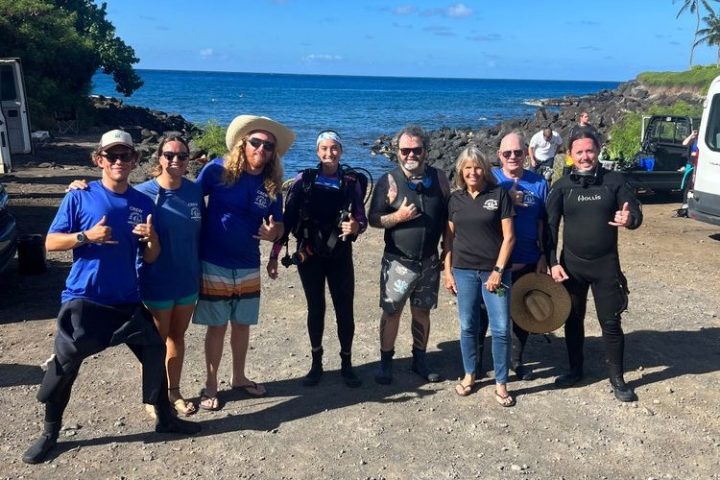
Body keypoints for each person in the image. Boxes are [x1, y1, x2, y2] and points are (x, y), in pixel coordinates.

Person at [22, 130, 200, 465]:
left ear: (135, 160)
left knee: (154, 347)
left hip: (126, 301)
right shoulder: (80, 195)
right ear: (99, 159)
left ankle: (164, 417)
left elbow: (150, 257)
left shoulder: (142, 202)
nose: (119, 162)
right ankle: (49, 433)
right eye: (112, 156)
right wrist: (85, 236)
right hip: (84, 300)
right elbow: (49, 243)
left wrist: (151, 240)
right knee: (65, 368)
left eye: (125, 156)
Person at [64, 135, 204, 416]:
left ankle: (173, 391)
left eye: (182, 156)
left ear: (189, 161)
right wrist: (79, 187)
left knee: (177, 336)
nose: (175, 160)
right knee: (153, 345)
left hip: (188, 280)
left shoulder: (195, 192)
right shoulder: (143, 194)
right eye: (169, 155)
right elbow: (113, 196)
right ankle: (154, 398)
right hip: (154, 281)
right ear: (158, 159)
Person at [193, 115, 293, 411]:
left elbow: (281, 226)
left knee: (242, 324)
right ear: (243, 144)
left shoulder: (271, 183)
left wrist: (275, 233)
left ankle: (238, 377)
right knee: (217, 325)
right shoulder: (217, 170)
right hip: (214, 261)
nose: (262, 148)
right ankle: (210, 385)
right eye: (256, 142)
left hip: (249, 263)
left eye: (268, 145)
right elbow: (187, 197)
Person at [546, 131, 643, 402]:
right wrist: (552, 262)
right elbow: (550, 228)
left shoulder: (614, 181)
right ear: (570, 155)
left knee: (610, 323)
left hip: (605, 266)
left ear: (598, 150)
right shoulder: (562, 186)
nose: (585, 157)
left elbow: (635, 212)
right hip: (571, 266)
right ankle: (575, 369)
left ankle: (618, 379)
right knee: (572, 319)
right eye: (579, 152)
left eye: (589, 151)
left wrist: (630, 218)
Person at [268, 130, 368, 387]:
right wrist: (274, 255)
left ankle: (346, 363)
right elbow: (287, 220)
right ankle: (316, 363)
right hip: (309, 255)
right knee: (316, 308)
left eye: (334, 148)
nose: (329, 153)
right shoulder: (304, 181)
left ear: (341, 151)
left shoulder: (351, 182)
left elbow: (361, 217)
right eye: (324, 149)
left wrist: (356, 227)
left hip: (340, 255)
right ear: (317, 152)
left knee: (344, 309)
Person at [368, 125, 450, 385]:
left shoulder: (440, 179)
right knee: (391, 312)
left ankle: (420, 360)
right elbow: (373, 219)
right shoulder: (389, 181)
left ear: (426, 151)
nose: (410, 155)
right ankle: (385, 362)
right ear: (397, 152)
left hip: (429, 262)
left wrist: (447, 252)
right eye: (405, 150)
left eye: (416, 150)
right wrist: (398, 217)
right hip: (398, 261)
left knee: (422, 312)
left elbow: (449, 218)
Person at [443, 146, 516, 406]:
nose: (473, 172)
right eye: (467, 168)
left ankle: (501, 383)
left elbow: (509, 237)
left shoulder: (498, 194)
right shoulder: (455, 199)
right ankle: (470, 374)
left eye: (477, 167)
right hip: (463, 271)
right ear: (461, 171)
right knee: (467, 326)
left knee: (500, 328)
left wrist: (497, 271)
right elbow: (449, 239)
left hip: (495, 272)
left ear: (485, 169)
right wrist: (447, 271)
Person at [490, 132, 549, 380]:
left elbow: (544, 223)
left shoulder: (539, 183)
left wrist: (545, 255)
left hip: (528, 258)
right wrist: (506, 201)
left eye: (517, 152)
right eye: (507, 153)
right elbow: (478, 215)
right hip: (495, 261)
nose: (512, 157)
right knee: (491, 312)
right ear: (499, 156)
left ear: (526, 153)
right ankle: (485, 360)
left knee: (522, 312)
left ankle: (516, 360)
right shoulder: (491, 180)